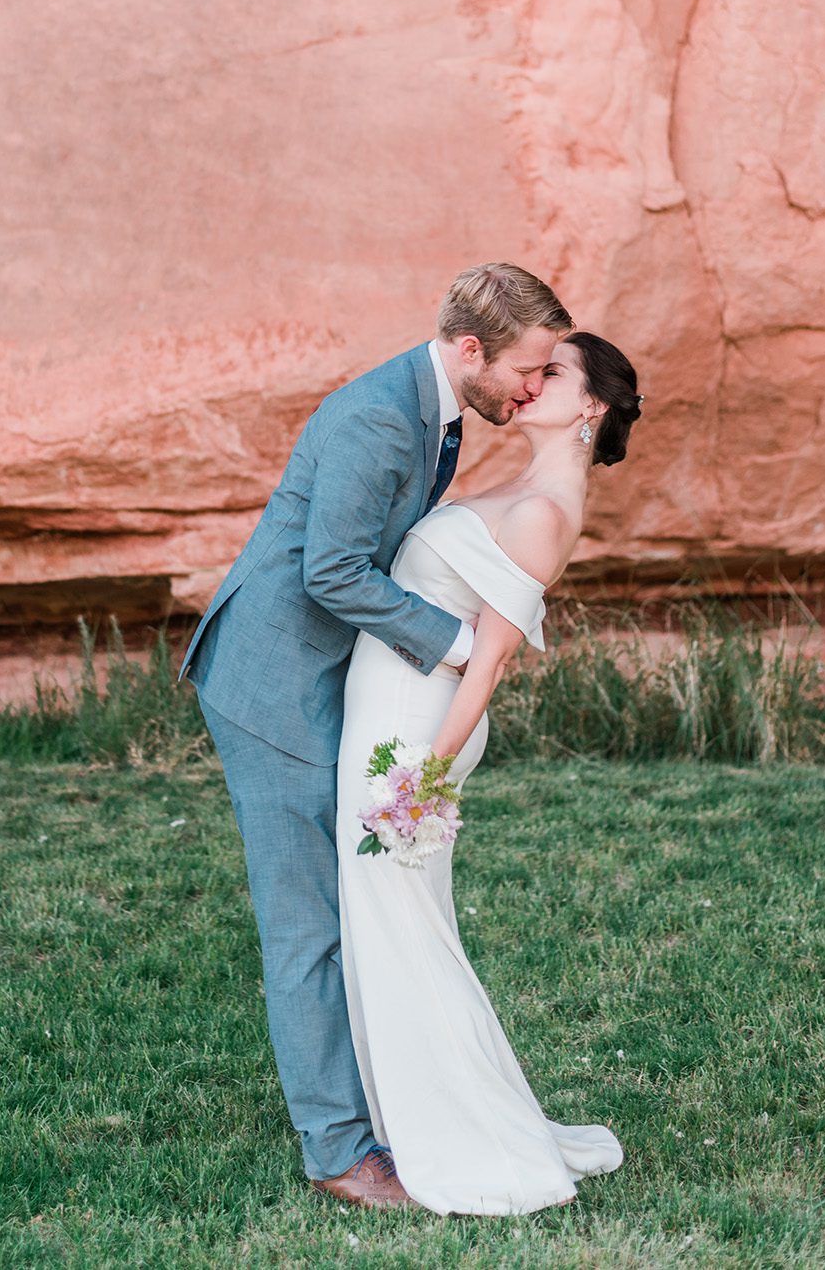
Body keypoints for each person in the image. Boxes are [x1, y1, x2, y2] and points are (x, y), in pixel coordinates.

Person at [179, 262, 573, 1207]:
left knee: (348, 903)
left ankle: (385, 1112)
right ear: (472, 349)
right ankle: (338, 1154)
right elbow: (336, 574)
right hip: (271, 685)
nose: (533, 386)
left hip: (330, 684)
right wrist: (460, 645)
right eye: (529, 367)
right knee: (307, 925)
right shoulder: (381, 417)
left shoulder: (438, 409)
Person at [336, 330, 642, 1214]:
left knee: (402, 928)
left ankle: (461, 1137)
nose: (532, 381)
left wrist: (420, 783)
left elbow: (492, 663)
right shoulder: (519, 488)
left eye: (555, 374)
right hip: (391, 708)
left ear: (590, 407)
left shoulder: (544, 512)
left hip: (413, 730)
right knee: (396, 923)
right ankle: (412, 1113)